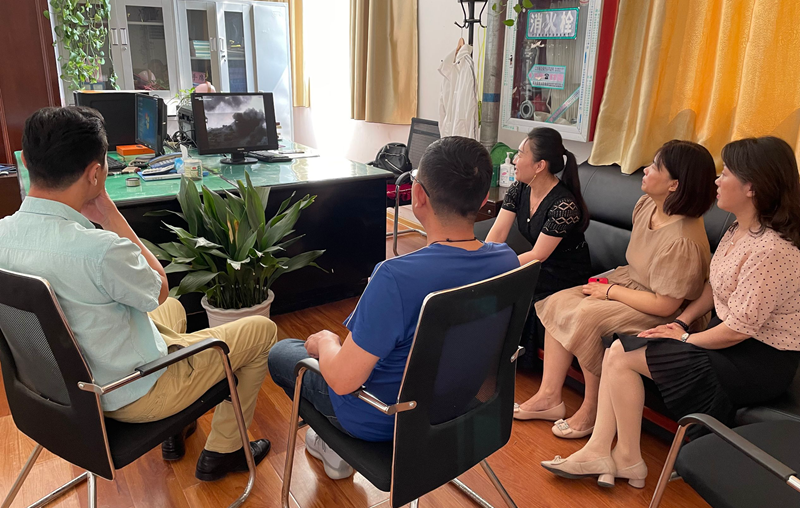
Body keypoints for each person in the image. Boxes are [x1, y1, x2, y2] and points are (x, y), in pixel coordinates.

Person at [0, 107, 276, 482]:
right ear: (95, 173)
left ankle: (176, 431)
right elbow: (158, 287)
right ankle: (226, 451)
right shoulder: (99, 251)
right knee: (261, 331)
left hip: (59, 390)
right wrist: (110, 215)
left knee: (175, 310)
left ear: (28, 163)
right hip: (129, 394)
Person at [542, 136, 800, 488]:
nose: (717, 180)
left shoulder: (773, 250)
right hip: (727, 340)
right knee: (618, 349)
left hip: (755, 361)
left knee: (623, 353)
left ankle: (614, 455)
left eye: (726, 173)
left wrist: (685, 338)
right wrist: (681, 321)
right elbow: (714, 287)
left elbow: (738, 330)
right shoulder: (739, 229)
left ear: (752, 187)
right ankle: (616, 455)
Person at [267, 136, 520, 480]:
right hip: (460, 404)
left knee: (283, 353)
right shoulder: (506, 261)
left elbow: (342, 380)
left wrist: (326, 341)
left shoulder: (396, 277)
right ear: (484, 199)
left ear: (417, 196)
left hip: (381, 418)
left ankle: (334, 445)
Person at [516, 140, 718, 442]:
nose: (645, 170)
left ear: (674, 184)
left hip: (663, 307)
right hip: (630, 282)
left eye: (655, 167)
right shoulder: (647, 205)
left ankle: (591, 408)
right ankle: (549, 397)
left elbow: (665, 305)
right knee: (558, 301)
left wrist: (609, 292)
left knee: (587, 317)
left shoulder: (682, 240)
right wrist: (608, 287)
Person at [487, 127, 592, 300]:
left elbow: (538, 255)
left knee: (502, 289)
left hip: (564, 275)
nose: (514, 160)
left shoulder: (564, 206)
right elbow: (498, 232)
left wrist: (497, 267)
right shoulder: (519, 188)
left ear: (539, 166)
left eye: (520, 155)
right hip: (538, 267)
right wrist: (483, 259)